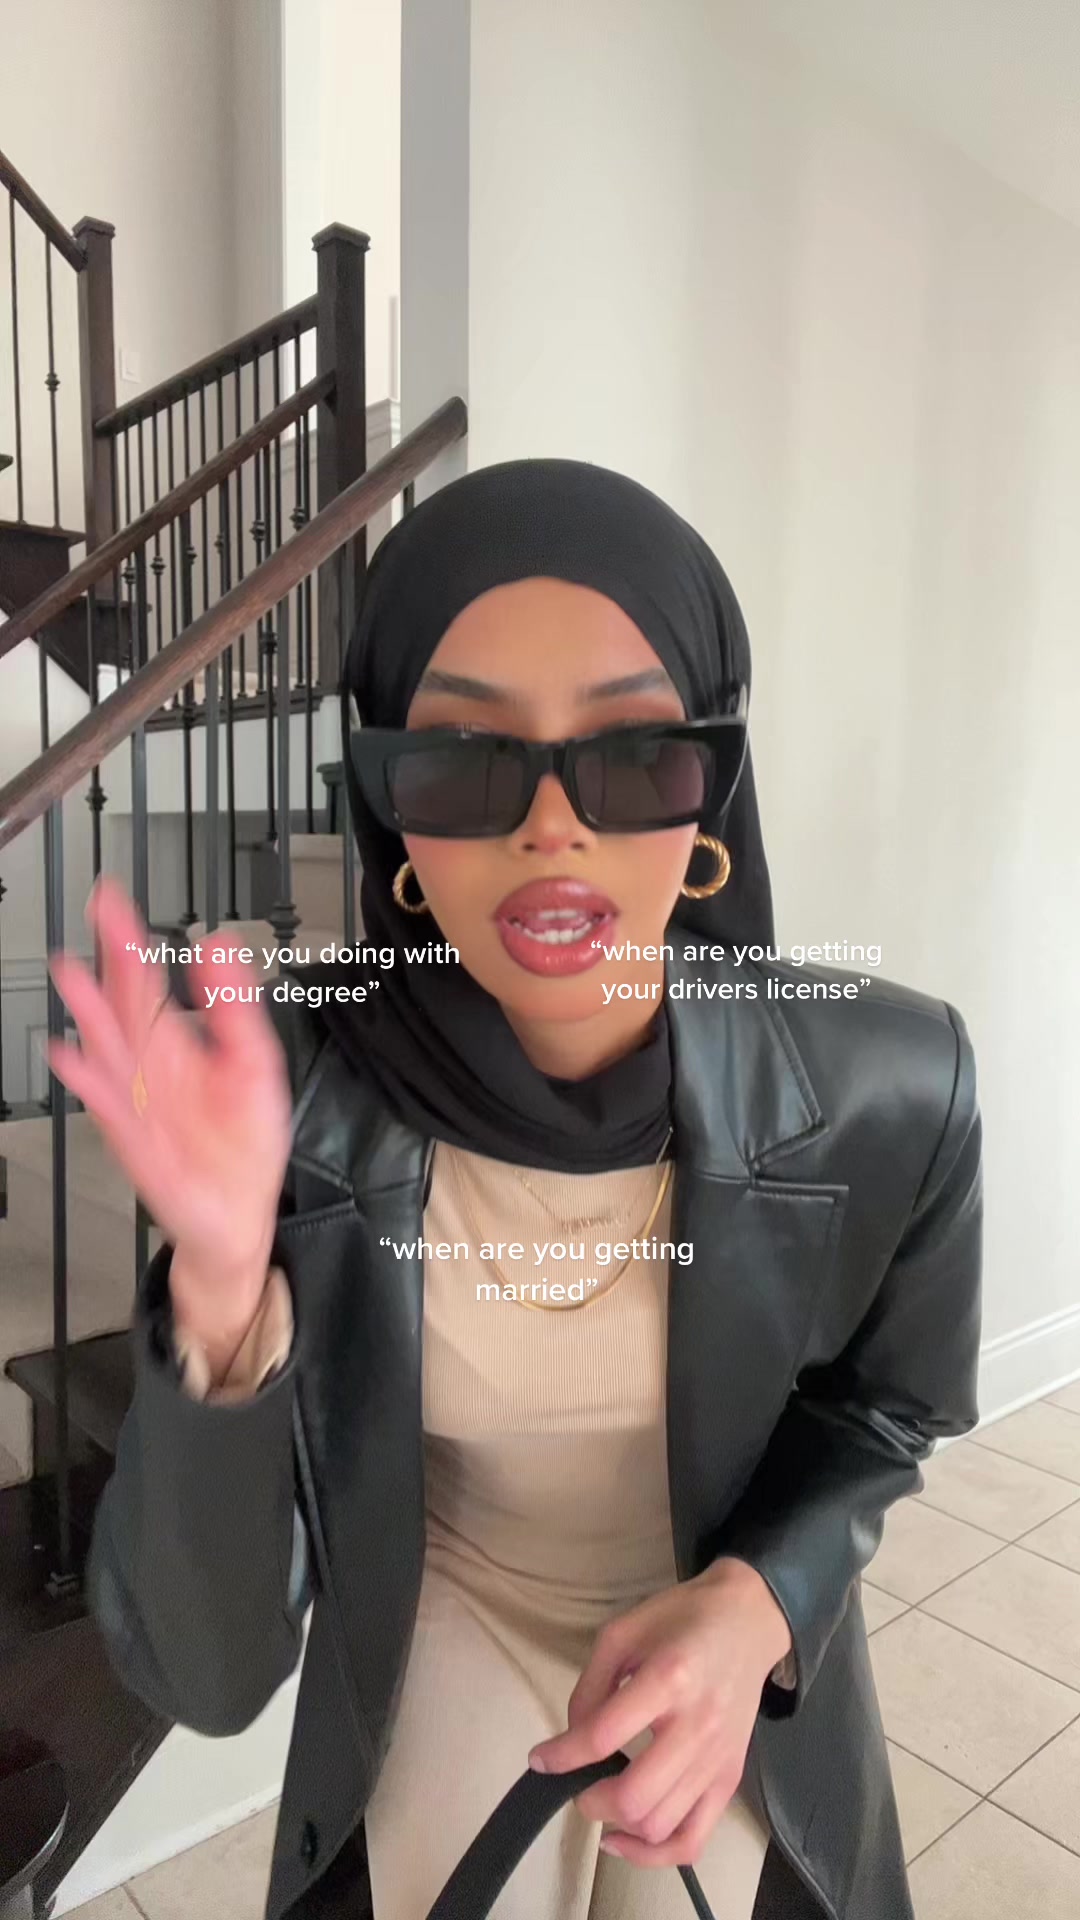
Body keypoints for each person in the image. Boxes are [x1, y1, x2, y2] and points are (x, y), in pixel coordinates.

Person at [46, 458, 983, 1920]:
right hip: (440, 1641)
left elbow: (891, 1408)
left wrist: (761, 1605)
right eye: (464, 759)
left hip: (724, 1649)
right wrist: (219, 1298)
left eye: (635, 753)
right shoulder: (282, 1108)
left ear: (713, 788)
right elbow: (205, 1677)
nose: (554, 828)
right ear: (392, 819)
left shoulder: (892, 1090)